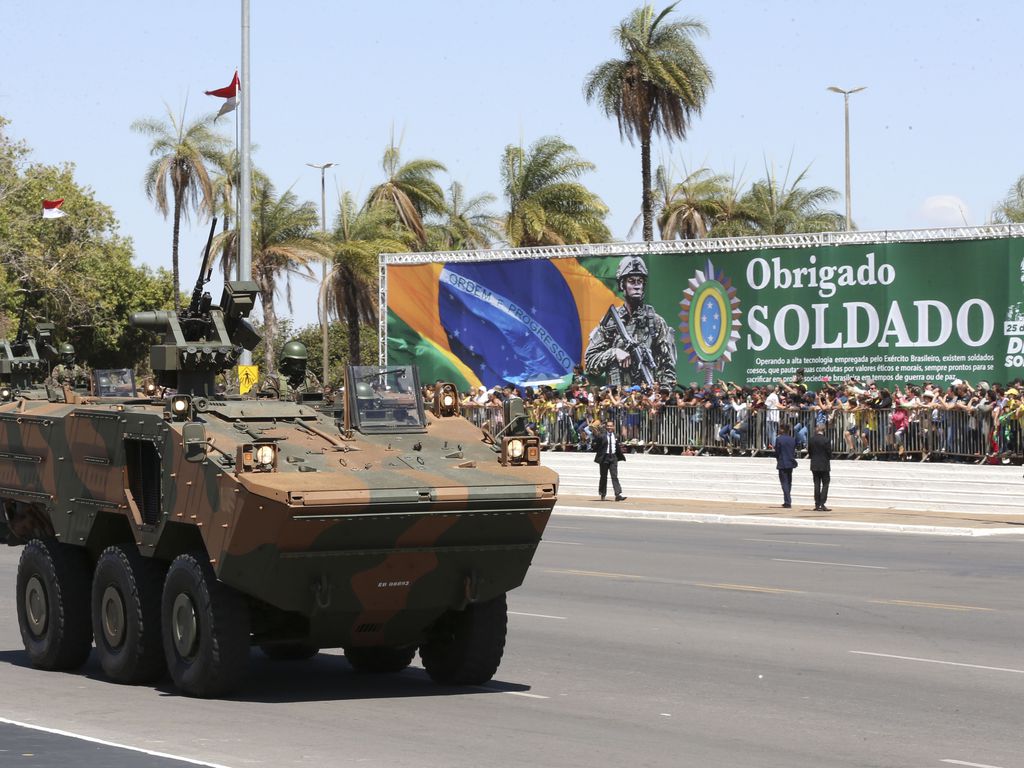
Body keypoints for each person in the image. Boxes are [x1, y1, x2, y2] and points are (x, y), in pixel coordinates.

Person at [584, 255, 677, 388]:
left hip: (647, 398)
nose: (637, 286)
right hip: (617, 400)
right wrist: (614, 353)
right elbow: (590, 362)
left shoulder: (656, 322)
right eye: (632, 281)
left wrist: (661, 395)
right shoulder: (611, 322)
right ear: (622, 284)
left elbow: (668, 368)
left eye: (640, 281)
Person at [593, 419, 626, 502]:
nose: (609, 427)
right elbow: (596, 445)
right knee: (603, 477)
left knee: (614, 476)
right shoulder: (602, 436)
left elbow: (617, 447)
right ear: (606, 427)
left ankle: (618, 494)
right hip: (604, 457)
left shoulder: (616, 436)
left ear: (614, 427)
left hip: (613, 457)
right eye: (608, 426)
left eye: (611, 426)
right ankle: (602, 494)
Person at [807, 423, 832, 511]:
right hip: (824, 464)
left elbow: (809, 451)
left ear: (817, 429)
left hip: (814, 464)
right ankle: (822, 503)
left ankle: (817, 504)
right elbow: (829, 453)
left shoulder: (811, 439)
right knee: (825, 484)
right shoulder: (826, 440)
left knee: (816, 484)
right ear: (824, 430)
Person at [774, 422, 797, 508]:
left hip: (782, 462)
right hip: (790, 462)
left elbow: (777, 452)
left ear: (783, 430)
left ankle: (788, 501)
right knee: (789, 482)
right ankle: (787, 499)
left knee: (784, 483)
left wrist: (778, 458)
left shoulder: (779, 439)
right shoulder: (792, 439)